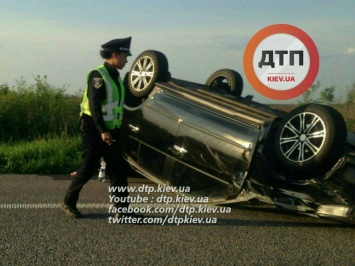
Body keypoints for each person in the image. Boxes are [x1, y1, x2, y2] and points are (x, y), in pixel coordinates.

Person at [61, 37, 141, 220]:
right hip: (94, 129)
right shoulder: (98, 75)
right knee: (89, 167)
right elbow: (95, 106)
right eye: (124, 56)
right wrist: (102, 131)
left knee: (117, 169)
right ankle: (68, 202)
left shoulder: (116, 76)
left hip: (111, 130)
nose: (126, 60)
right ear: (114, 55)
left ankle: (123, 210)